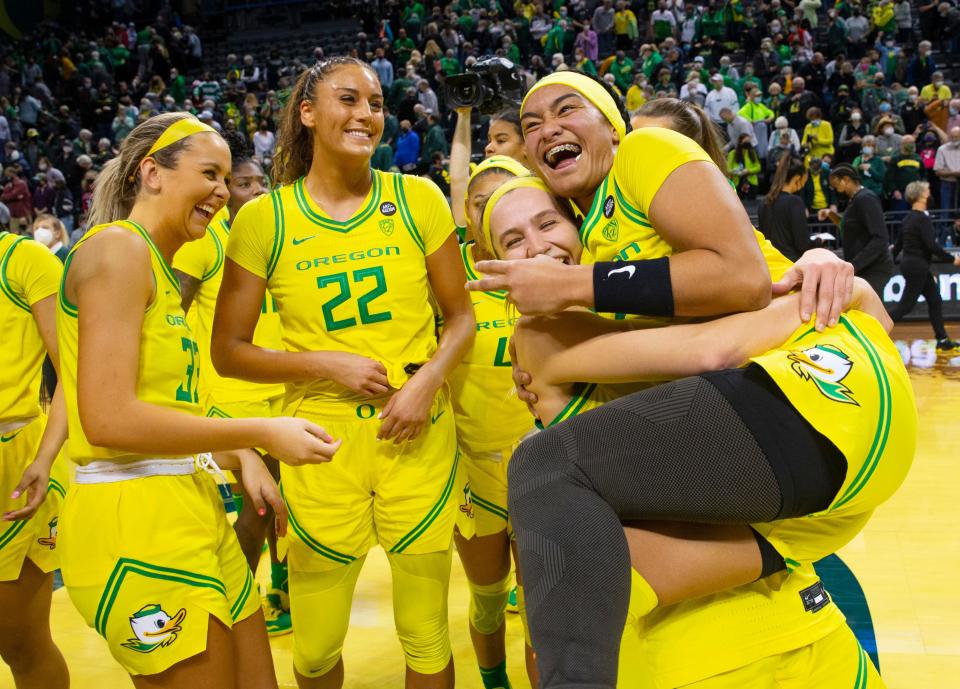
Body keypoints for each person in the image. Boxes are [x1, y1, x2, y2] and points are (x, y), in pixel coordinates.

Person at [477, 176, 894, 689]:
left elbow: (875, 331)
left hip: (796, 626)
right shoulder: (543, 337)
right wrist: (835, 294)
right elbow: (712, 350)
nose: (538, 247)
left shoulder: (654, 303)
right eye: (513, 241)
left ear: (584, 226)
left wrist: (828, 275)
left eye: (548, 223)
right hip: (689, 647)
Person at [210, 57, 475, 689]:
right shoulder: (264, 219)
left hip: (417, 436)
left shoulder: (417, 198)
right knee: (317, 647)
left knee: (427, 633)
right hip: (320, 447)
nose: (366, 116)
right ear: (307, 113)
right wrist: (324, 362)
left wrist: (426, 383)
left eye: (377, 104)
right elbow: (229, 350)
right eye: (349, 100)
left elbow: (460, 318)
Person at [54, 112, 339, 688]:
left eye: (226, 177)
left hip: (188, 501)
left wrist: (243, 458)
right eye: (209, 172)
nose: (220, 189)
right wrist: (255, 434)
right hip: (131, 516)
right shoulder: (116, 252)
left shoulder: (157, 264)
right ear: (152, 172)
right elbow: (108, 419)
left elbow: (172, 404)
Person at [171, 130, 292, 636]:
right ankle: (237, 603)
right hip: (232, 397)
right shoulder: (207, 242)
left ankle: (281, 591)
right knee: (258, 507)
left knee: (287, 504)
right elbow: (168, 315)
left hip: (279, 391)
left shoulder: (268, 236)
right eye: (242, 182)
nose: (254, 190)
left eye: (258, 181)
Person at [0, 229, 70, 689]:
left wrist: (46, 457)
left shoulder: (24, 260)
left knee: (19, 641)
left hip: (18, 466)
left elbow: (77, 370)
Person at [889, 180, 960, 351]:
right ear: (921, 195)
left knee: (935, 300)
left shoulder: (907, 219)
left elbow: (897, 247)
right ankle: (872, 330)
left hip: (912, 265)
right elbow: (932, 246)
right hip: (917, 267)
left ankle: (942, 339)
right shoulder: (922, 219)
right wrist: (952, 259)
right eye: (927, 191)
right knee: (905, 307)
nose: (929, 194)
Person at [820, 164, 896, 296]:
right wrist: (830, 214)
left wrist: (855, 264)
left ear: (846, 179)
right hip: (865, 267)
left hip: (874, 268)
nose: (836, 190)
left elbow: (880, 237)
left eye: (837, 185)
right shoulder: (855, 200)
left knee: (868, 313)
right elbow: (847, 224)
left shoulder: (866, 198)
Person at [759, 155, 812, 260]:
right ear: (797, 178)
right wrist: (819, 241)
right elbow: (802, 244)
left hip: (770, 264)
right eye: (804, 181)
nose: (803, 185)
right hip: (790, 264)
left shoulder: (764, 202)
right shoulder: (794, 202)